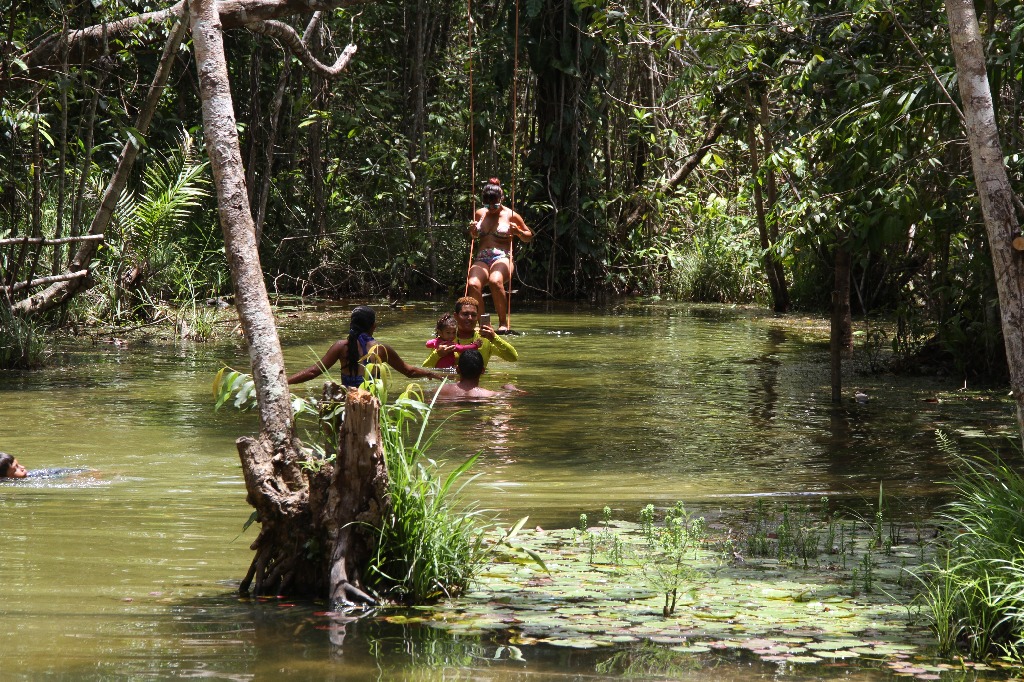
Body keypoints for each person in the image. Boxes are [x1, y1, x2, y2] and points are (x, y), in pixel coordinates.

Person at [288, 305, 444, 387]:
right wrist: (430, 373)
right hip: (371, 404)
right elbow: (409, 371)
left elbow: (313, 372)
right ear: (373, 326)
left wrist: (285, 382)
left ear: (351, 325)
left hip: (348, 402)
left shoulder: (341, 347)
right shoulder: (381, 349)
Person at [467, 177, 533, 333]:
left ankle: (503, 323)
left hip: (502, 256)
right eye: (487, 204)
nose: (491, 208)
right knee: (473, 284)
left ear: (501, 199)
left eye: (495, 204)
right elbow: (475, 236)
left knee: (495, 281)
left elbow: (528, 236)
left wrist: (517, 232)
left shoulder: (511, 215)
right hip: (482, 257)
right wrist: (473, 231)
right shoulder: (480, 214)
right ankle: (484, 324)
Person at [423, 296, 517, 370]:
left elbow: (513, 358)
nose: (470, 318)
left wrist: (494, 338)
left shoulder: (486, 339)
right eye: (465, 314)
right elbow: (426, 368)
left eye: (474, 315)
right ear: (455, 316)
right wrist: (437, 354)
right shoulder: (446, 337)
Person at [433, 350, 519, 400]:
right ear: (483, 371)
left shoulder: (440, 390)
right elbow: (523, 394)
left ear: (457, 369)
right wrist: (511, 388)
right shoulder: (489, 394)